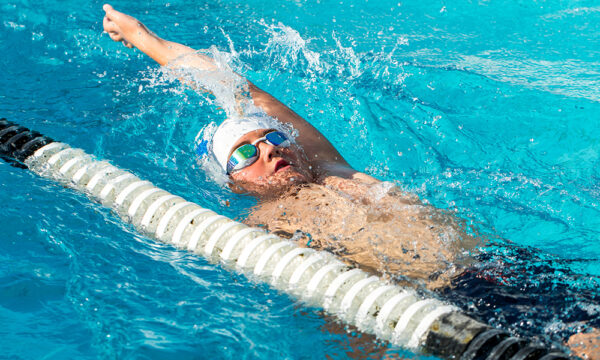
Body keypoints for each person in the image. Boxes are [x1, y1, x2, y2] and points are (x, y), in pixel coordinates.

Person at [102, 5, 599, 358]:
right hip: (460, 300)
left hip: (509, 264)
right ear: (230, 182)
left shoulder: (331, 170)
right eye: (246, 152)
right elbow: (337, 303)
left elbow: (236, 88)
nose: (269, 148)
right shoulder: (263, 231)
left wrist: (147, 40)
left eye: (272, 137)